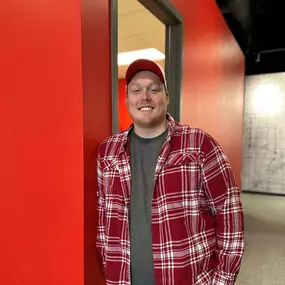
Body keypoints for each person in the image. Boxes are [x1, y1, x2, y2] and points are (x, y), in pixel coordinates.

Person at [96, 59, 244, 285]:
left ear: (167, 97)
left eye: (154, 89)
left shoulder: (199, 145)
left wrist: (221, 280)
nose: (144, 96)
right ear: (127, 100)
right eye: (136, 90)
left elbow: (229, 214)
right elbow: (103, 218)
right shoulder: (108, 152)